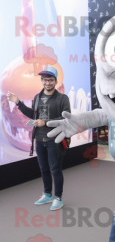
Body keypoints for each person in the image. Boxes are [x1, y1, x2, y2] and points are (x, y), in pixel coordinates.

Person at [6, 65, 71, 210]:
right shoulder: (37, 97)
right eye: (44, 80)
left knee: (56, 170)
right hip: (39, 140)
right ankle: (47, 194)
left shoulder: (62, 98)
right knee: (44, 169)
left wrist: (46, 122)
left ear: (56, 81)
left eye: (50, 80)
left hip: (54, 140)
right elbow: (33, 115)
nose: (47, 82)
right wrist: (17, 102)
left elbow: (66, 119)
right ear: (42, 81)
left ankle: (58, 198)